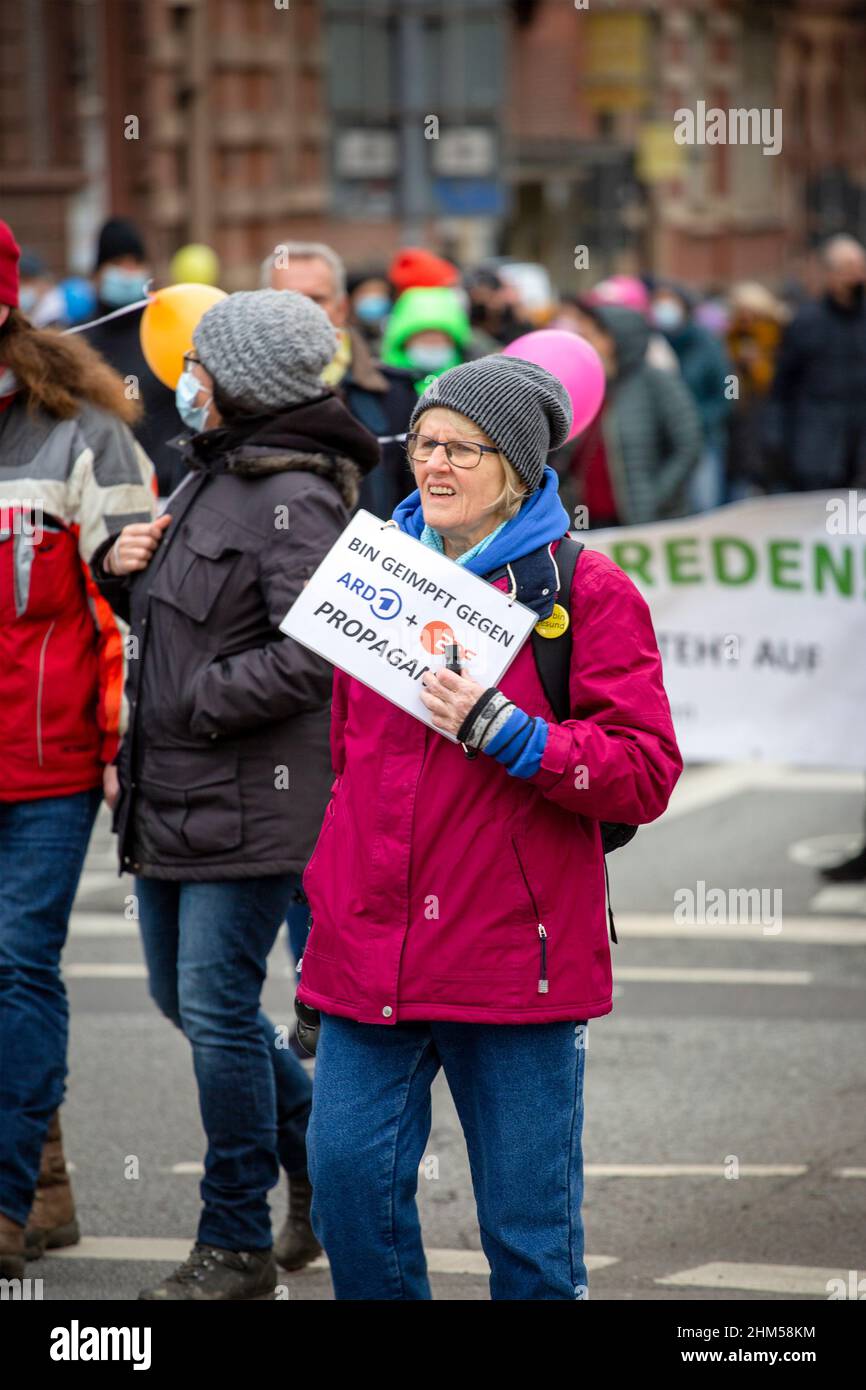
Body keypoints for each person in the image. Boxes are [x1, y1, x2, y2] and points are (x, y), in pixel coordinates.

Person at [295, 354, 683, 1300]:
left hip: (512, 958)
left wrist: (513, 737)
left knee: (528, 1239)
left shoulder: (584, 590)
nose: (433, 463)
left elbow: (643, 770)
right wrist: (329, 918)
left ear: (515, 467)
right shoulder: (375, 571)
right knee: (348, 1192)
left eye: (461, 448)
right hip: (367, 955)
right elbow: (352, 767)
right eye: (423, 441)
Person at [91, 289, 380, 1301]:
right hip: (174, 788)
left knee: (216, 1008)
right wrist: (118, 568)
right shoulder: (214, 473)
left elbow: (316, 652)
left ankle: (234, 1238)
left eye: (204, 364)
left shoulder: (295, 493)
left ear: (241, 380)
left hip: (253, 796)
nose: (186, 378)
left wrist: (201, 703)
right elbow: (189, 612)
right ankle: (310, 1162)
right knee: (186, 999)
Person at [0, 219, 156, 1280]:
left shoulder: (83, 433)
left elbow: (140, 602)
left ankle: (6, 1201)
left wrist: (127, 740)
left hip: (47, 763)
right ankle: (45, 1182)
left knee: (15, 968)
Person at [264, 239, 418, 521]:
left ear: (342, 307)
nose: (303, 312)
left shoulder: (395, 395)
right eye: (287, 299)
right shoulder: (242, 401)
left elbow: (418, 503)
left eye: (316, 299)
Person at [564, 303, 701, 526]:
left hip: (641, 524)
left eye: (593, 335)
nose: (586, 343)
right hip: (589, 523)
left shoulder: (656, 382)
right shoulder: (587, 384)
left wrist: (655, 498)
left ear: (617, 340)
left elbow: (688, 445)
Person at [83, 217, 183, 497]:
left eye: (135, 263)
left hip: (166, 492)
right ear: (98, 272)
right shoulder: (81, 341)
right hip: (102, 496)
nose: (128, 273)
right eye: (118, 264)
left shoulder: (166, 332)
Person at [766, 234, 866, 491]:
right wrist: (775, 438)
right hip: (818, 451)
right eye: (847, 270)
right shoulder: (807, 322)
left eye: (859, 268)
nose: (855, 277)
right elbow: (782, 387)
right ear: (830, 275)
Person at [650, 282, 733, 512]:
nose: (663, 307)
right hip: (664, 443)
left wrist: (698, 421)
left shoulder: (707, 343)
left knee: (704, 503)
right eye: (658, 301)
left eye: (670, 301)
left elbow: (726, 392)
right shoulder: (651, 343)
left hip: (704, 439)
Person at [725, 282, 789, 498]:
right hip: (742, 428)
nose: (745, 317)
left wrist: (758, 366)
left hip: (772, 427)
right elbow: (730, 392)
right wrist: (735, 371)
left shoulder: (778, 339)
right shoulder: (729, 341)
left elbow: (778, 385)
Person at [380, 286, 473, 389]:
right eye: (424, 338)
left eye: (439, 338)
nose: (432, 346)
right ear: (404, 341)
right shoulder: (383, 384)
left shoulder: (469, 384)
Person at [347, 266, 392, 349]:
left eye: (381, 292)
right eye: (366, 292)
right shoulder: (344, 336)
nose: (374, 297)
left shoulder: (393, 335)